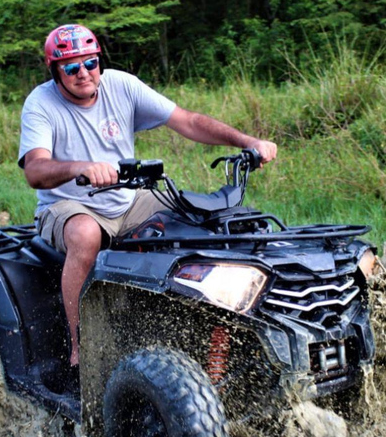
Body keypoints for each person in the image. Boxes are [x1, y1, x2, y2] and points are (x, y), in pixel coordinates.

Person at [18, 24, 277, 389]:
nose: (84, 74)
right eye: (72, 68)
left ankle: (204, 325)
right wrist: (82, 168)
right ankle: (81, 345)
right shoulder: (41, 104)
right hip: (68, 203)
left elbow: (187, 121)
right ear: (55, 71)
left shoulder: (121, 85)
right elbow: (35, 170)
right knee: (86, 235)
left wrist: (247, 141)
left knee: (195, 221)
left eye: (90, 63)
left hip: (129, 199)